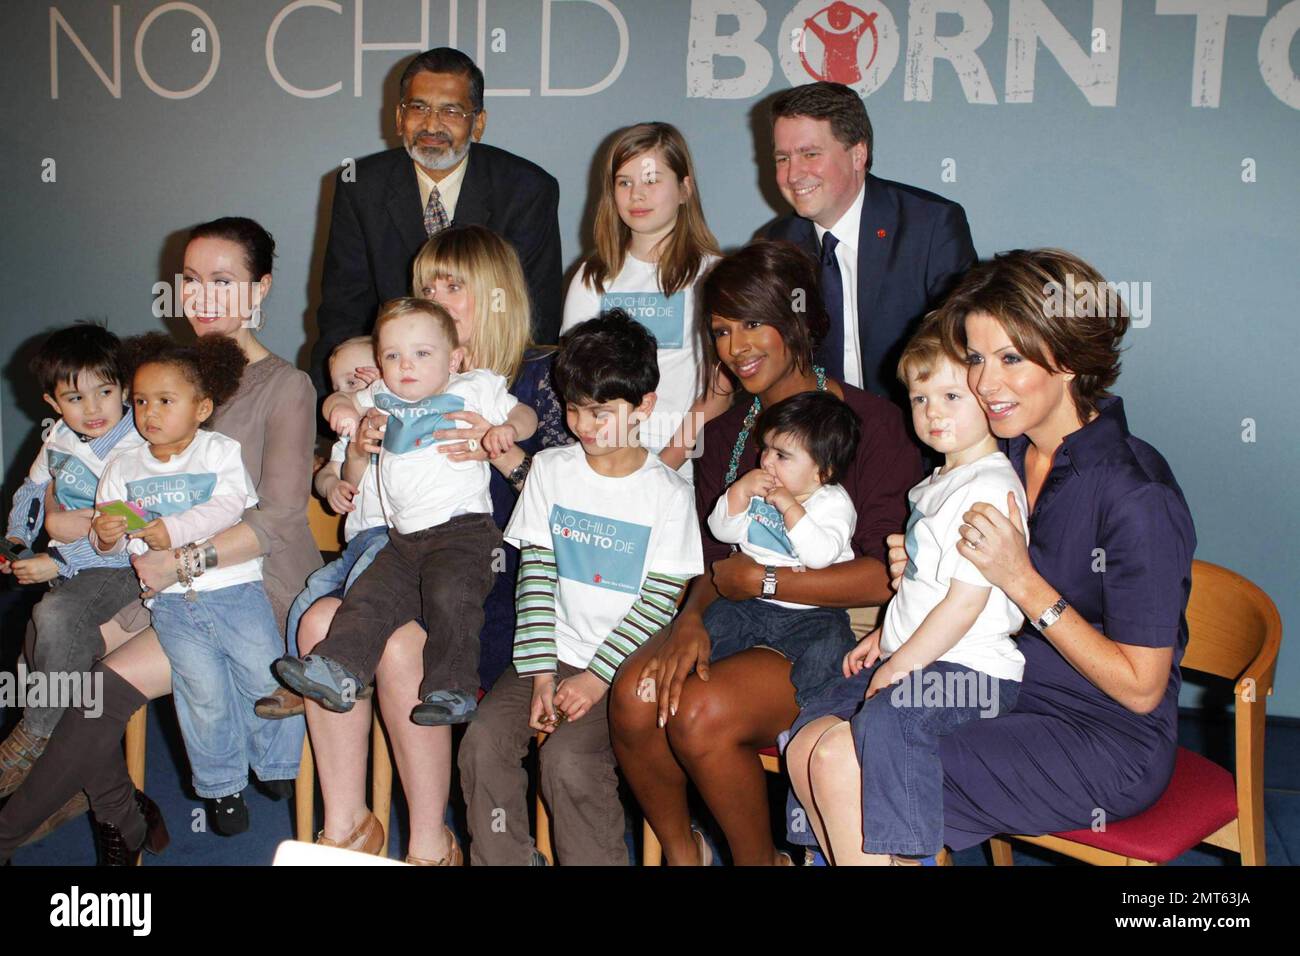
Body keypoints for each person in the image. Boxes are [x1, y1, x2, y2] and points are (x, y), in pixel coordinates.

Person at [788, 248, 1196, 861]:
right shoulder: (1000, 456)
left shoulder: (1136, 494)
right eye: (976, 359)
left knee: (852, 756)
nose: (985, 383)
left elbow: (1140, 689)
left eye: (1010, 358)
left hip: (1102, 735)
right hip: (989, 684)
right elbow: (969, 596)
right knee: (810, 740)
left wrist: (1022, 581)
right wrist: (921, 577)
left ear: (1067, 358)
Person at [0, 216, 320, 864]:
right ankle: (115, 807)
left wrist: (181, 558)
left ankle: (27, 824)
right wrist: (73, 522)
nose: (201, 297)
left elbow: (281, 519)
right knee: (52, 629)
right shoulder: (158, 380)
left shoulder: (286, 386)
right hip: (160, 587)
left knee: (88, 683)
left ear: (260, 291)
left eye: (223, 282)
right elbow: (101, 486)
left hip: (250, 587)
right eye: (192, 281)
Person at [607, 240, 921, 866]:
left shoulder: (871, 422)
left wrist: (764, 582)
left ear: (797, 321)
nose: (736, 346)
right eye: (722, 330)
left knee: (697, 712)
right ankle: (682, 853)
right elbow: (709, 555)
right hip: (735, 610)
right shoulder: (729, 432)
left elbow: (886, 580)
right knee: (635, 694)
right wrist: (690, 621)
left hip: (842, 634)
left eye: (753, 322)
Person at [292, 226, 570, 864]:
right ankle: (347, 831)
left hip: (500, 581)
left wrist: (500, 453)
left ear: (496, 296)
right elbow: (346, 418)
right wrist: (345, 435)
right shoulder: (405, 369)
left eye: (454, 285)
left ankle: (427, 843)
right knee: (318, 622)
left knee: (398, 644)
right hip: (405, 552)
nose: (436, 297)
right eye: (427, 286)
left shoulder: (537, 378)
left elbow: (568, 510)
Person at [459, 311, 703, 865]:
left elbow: (659, 604)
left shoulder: (667, 494)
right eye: (574, 410)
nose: (585, 426)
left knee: (567, 763)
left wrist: (596, 678)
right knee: (483, 745)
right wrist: (542, 671)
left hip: (621, 668)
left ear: (643, 405)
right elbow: (537, 578)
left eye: (601, 412)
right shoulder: (550, 469)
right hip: (547, 656)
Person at [785, 321, 1027, 864]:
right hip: (919, 657)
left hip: (974, 673)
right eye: (920, 398)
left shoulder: (988, 487)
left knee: (888, 721)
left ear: (988, 400)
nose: (933, 412)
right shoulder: (938, 484)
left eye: (950, 396)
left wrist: (901, 663)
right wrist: (884, 637)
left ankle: (905, 855)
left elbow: (965, 603)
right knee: (807, 734)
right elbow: (923, 588)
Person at [278, 298, 536, 724]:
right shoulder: (381, 396)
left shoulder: (471, 388)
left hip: (463, 532)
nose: (406, 365)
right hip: (402, 538)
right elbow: (338, 401)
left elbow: (524, 413)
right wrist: (341, 411)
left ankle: (452, 689)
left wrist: (506, 430)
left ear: (453, 359)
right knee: (367, 598)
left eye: (422, 353)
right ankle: (338, 671)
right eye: (393, 356)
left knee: (451, 599)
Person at [91, 333, 304, 834]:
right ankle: (222, 787)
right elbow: (121, 539)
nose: (150, 413)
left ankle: (275, 765)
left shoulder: (219, 452)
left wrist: (174, 530)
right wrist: (106, 536)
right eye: (141, 401)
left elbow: (229, 506)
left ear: (202, 407)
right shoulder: (123, 466)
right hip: (171, 603)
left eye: (166, 401)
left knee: (262, 672)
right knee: (201, 693)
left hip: (234, 588)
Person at [309, 46, 563, 398]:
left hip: (495, 388)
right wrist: (350, 395)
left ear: (479, 123)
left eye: (451, 111)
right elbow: (344, 309)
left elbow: (535, 316)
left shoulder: (526, 189)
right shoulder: (359, 185)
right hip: (391, 382)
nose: (431, 124)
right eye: (418, 108)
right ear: (399, 117)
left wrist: (491, 408)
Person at [0, 324, 145, 796]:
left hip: (126, 568)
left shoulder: (137, 444)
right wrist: (17, 539)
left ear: (124, 387)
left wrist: (58, 560)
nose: (93, 408)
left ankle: (34, 735)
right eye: (75, 398)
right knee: (38, 650)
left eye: (104, 392)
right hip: (76, 567)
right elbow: (32, 491)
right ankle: (112, 805)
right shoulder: (61, 437)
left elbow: (129, 522)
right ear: (53, 404)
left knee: (55, 614)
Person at [765, 81, 976, 405]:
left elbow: (962, 347)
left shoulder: (930, 226)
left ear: (857, 155)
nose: (793, 175)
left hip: (916, 437)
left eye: (810, 154)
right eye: (782, 158)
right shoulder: (776, 243)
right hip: (814, 441)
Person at [562, 122, 723, 474]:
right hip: (602, 467)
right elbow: (577, 384)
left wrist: (664, 466)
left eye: (651, 180)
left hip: (684, 468)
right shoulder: (593, 276)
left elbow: (719, 389)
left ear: (684, 189)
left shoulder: (713, 276)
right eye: (624, 182)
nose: (636, 195)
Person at [705, 390, 861, 707]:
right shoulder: (757, 487)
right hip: (751, 603)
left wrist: (790, 507)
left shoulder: (833, 503)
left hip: (813, 611)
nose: (766, 461)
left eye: (782, 456)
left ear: (824, 472)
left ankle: (816, 710)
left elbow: (819, 557)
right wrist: (738, 493)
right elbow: (720, 530)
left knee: (830, 649)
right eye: (766, 449)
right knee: (716, 623)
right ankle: (709, 682)